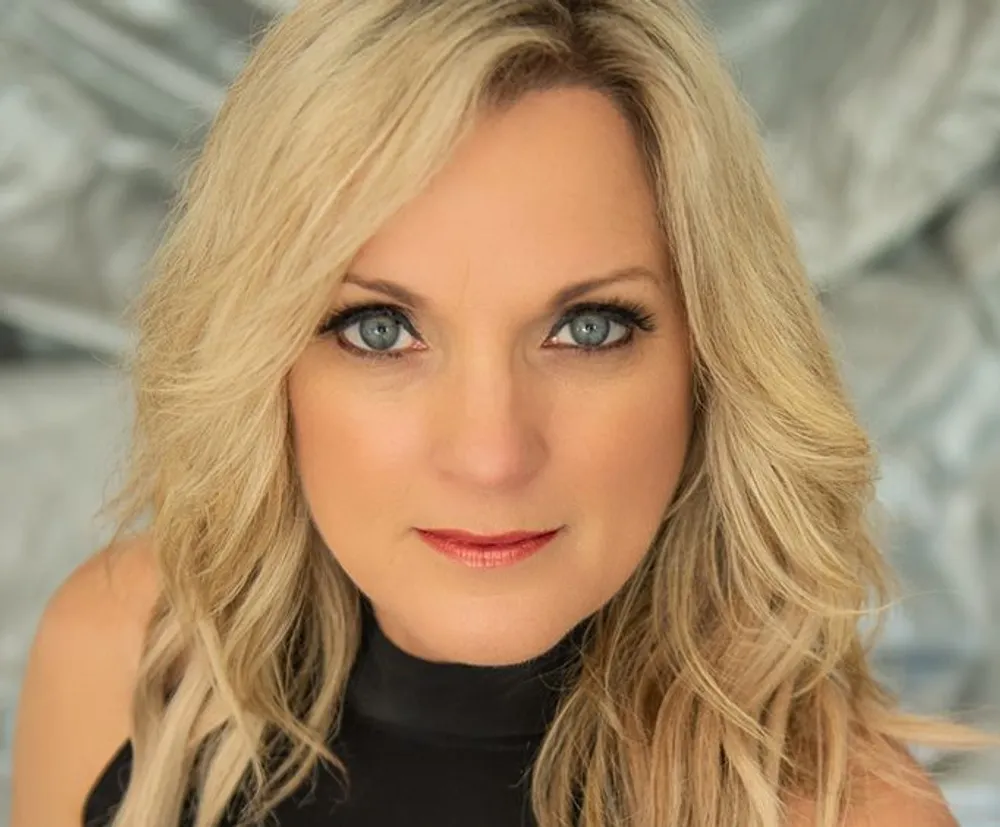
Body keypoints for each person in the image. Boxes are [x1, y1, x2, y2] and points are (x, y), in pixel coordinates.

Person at [10, 1, 994, 826]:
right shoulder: (129, 649)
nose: (489, 453)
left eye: (592, 328)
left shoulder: (849, 813)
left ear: (711, 364)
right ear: (267, 362)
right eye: (382, 329)